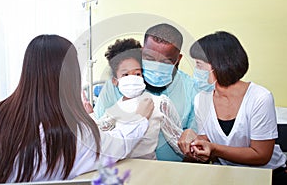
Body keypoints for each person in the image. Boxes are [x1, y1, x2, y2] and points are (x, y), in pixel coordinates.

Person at [0, 35, 154, 183]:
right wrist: (138, 119)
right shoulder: (71, 130)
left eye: (137, 73)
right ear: (71, 75)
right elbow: (116, 146)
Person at [177, 31, 287, 185]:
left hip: (267, 176)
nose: (196, 70)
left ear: (219, 66)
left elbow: (261, 155)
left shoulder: (260, 98)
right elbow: (208, 140)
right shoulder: (201, 99)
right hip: (226, 176)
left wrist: (213, 149)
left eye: (199, 64)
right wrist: (193, 139)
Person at [94, 23, 207, 162]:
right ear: (142, 51)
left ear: (178, 59)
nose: (157, 66)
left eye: (166, 61)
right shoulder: (119, 84)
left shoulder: (191, 90)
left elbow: (197, 147)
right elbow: (100, 136)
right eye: (150, 58)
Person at [92, 38, 183, 160]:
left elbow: (178, 140)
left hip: (149, 168)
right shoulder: (114, 109)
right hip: (121, 168)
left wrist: (195, 149)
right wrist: (88, 113)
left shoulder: (159, 103)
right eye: (125, 75)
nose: (132, 78)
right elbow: (98, 135)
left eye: (137, 74)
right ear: (115, 81)